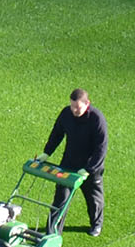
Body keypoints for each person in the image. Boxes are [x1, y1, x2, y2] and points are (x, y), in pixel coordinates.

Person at [43, 88, 107, 236]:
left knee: (93, 199)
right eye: (72, 106)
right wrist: (46, 152)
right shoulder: (66, 114)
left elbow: (101, 148)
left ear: (87, 104)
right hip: (69, 163)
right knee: (60, 199)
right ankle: (52, 233)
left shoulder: (97, 119)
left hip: (91, 167)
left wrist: (89, 169)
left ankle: (96, 225)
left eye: (77, 108)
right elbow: (56, 133)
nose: (74, 110)